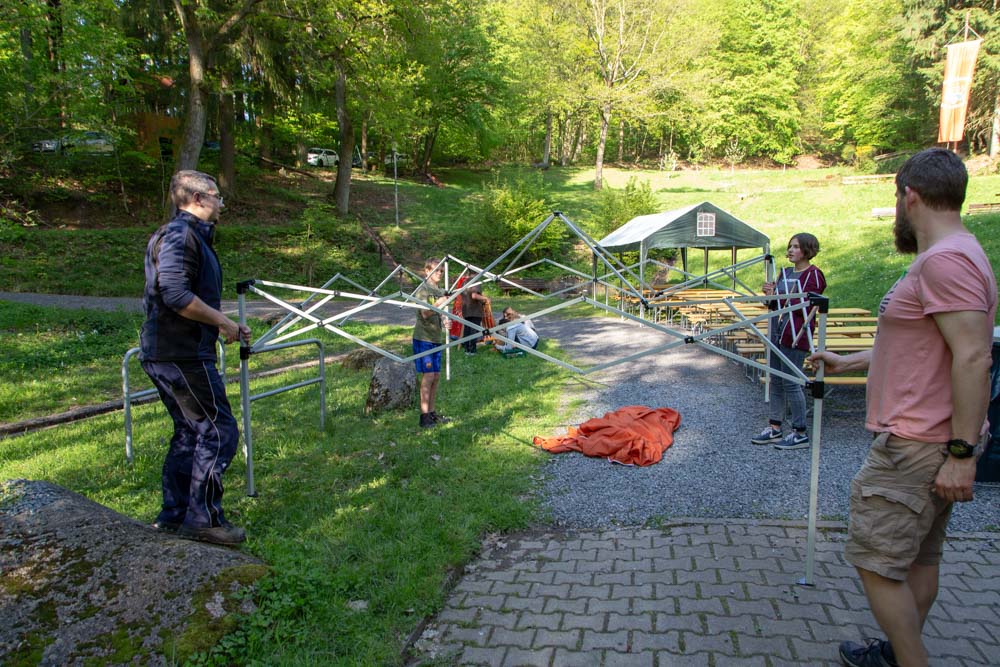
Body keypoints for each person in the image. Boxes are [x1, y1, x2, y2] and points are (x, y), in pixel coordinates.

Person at [809, 149, 996, 667]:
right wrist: (848, 361)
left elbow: (975, 354)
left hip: (917, 444)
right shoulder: (956, 253)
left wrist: (961, 454)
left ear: (908, 195)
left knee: (875, 563)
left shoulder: (944, 261)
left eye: (897, 197)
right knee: (918, 560)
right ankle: (897, 653)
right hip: (934, 440)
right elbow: (925, 342)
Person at [140, 170, 252, 546]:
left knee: (191, 432)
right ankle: (203, 518)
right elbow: (172, 292)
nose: (222, 203)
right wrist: (221, 320)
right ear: (199, 199)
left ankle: (174, 515)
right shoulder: (179, 234)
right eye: (217, 196)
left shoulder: (187, 236)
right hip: (180, 354)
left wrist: (222, 324)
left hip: (175, 349)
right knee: (218, 430)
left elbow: (185, 295)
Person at [751, 233, 826, 451]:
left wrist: (778, 296)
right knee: (776, 379)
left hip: (796, 335)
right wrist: (769, 297)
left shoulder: (814, 275)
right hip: (777, 332)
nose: (791, 250)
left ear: (807, 250)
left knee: (792, 382)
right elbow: (776, 306)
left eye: (796, 247)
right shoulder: (784, 273)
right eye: (790, 246)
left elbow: (807, 305)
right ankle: (775, 426)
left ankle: (800, 431)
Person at [413, 258, 451, 428]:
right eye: (436, 270)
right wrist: (438, 303)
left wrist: (445, 321)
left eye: (441, 270)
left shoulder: (438, 290)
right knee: (428, 376)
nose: (440, 273)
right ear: (427, 271)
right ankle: (424, 416)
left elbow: (439, 312)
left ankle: (432, 413)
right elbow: (425, 313)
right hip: (424, 339)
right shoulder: (423, 290)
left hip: (436, 338)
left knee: (436, 377)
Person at [461, 280, 490, 355]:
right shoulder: (475, 281)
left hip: (466, 310)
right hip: (475, 311)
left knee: (467, 330)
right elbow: (474, 295)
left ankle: (467, 350)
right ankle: (472, 350)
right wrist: (486, 298)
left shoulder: (464, 282)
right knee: (473, 331)